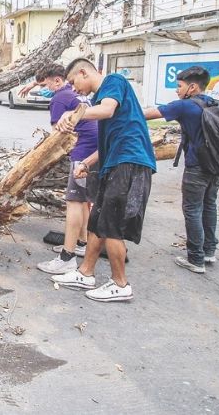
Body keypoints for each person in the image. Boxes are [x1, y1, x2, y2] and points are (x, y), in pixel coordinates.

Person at [51, 58, 156, 302]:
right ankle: (85, 272)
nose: (74, 89)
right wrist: (87, 163)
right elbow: (108, 139)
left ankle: (120, 284)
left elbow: (107, 109)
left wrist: (75, 114)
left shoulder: (113, 82)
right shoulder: (100, 102)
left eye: (73, 82)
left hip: (130, 162)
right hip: (114, 161)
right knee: (98, 221)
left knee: (112, 224)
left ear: (84, 72)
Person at [21, 64, 99, 275]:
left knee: (74, 201)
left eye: (45, 84)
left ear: (57, 81)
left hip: (83, 151)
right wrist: (34, 82)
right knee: (84, 201)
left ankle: (67, 256)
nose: (44, 88)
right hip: (96, 148)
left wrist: (38, 159)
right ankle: (81, 243)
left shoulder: (59, 99)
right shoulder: (74, 93)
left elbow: (58, 135)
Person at [143, 66, 219, 274]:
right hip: (217, 165)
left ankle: (195, 258)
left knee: (192, 209)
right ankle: (208, 250)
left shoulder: (185, 106)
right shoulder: (216, 104)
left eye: (179, 86)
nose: (177, 91)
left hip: (197, 166)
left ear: (193, 87)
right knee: (209, 205)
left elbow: (146, 115)